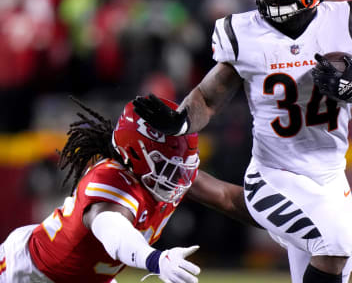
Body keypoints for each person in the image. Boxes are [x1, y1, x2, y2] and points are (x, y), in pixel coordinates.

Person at [133, 0, 352, 283]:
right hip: (274, 175)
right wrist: (179, 121)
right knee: (336, 245)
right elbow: (209, 98)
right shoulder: (243, 32)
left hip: (330, 176)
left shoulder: (347, 22)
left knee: (334, 265)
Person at [0, 96, 255, 283]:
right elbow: (115, 232)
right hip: (29, 275)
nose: (180, 178)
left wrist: (284, 219)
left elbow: (228, 198)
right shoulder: (109, 181)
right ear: (136, 153)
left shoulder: (167, 173)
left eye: (183, 165)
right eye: (168, 166)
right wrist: (154, 259)